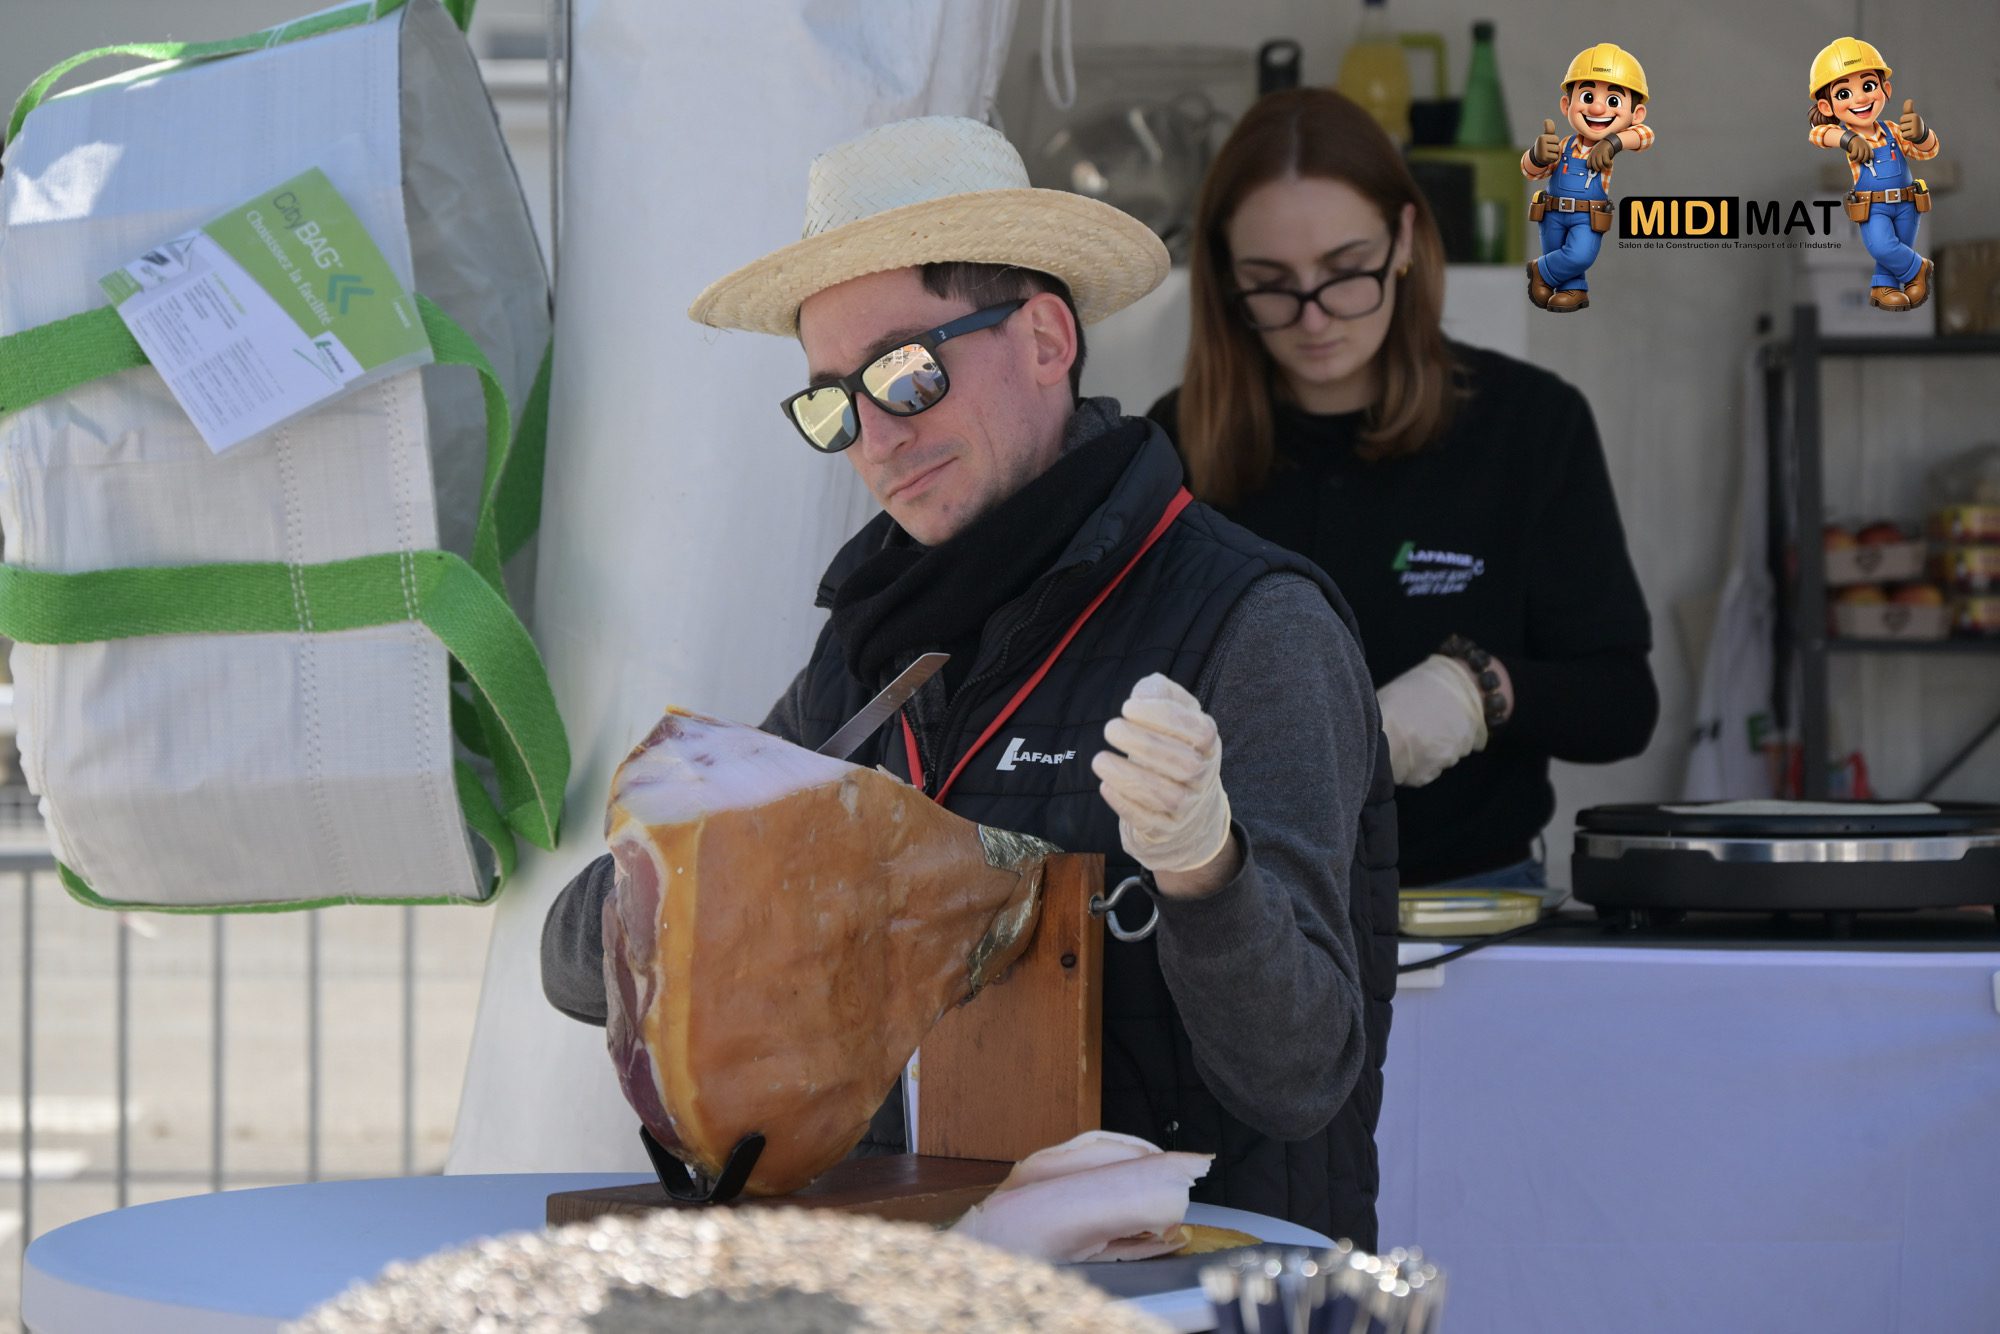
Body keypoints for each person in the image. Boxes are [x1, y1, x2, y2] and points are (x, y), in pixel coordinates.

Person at [539, 116, 1401, 1245]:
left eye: (906, 373)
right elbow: (572, 968)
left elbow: (1300, 1076)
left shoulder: (1253, 620)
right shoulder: (866, 645)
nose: (875, 437)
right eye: (833, 402)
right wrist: (679, 881)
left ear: (1045, 338)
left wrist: (1206, 873)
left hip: (1190, 1286)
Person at [1150, 88, 1658, 891]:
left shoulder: (1529, 426)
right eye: (1270, 281)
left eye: (1345, 271)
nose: (1314, 319)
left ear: (1405, 240)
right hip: (1247, 911)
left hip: (1470, 904)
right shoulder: (1171, 448)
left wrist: (1482, 691)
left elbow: (1622, 706)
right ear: (1222, 274)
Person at [1520, 43, 1656, 313]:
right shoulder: (1562, 146)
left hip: (1587, 216)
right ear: (1566, 104)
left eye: (1613, 101)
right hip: (1551, 213)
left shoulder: (1615, 143)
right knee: (1559, 253)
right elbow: (1531, 173)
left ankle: (1541, 271)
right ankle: (1574, 289)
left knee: (1580, 254)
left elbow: (1645, 136)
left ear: (1636, 114)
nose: (1597, 108)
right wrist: (1537, 155)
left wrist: (1614, 142)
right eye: (1587, 97)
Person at [1807, 36, 1940, 312]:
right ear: (1826, 107)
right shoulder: (1843, 133)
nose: (1860, 98)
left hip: (1907, 203)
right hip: (1874, 206)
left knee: (1897, 247)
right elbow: (1818, 134)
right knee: (1881, 246)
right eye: (1843, 94)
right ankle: (1918, 268)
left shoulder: (1894, 130)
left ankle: (1884, 287)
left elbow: (1927, 152)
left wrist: (1922, 134)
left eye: (1868, 86)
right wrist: (1847, 139)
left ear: (1885, 89)